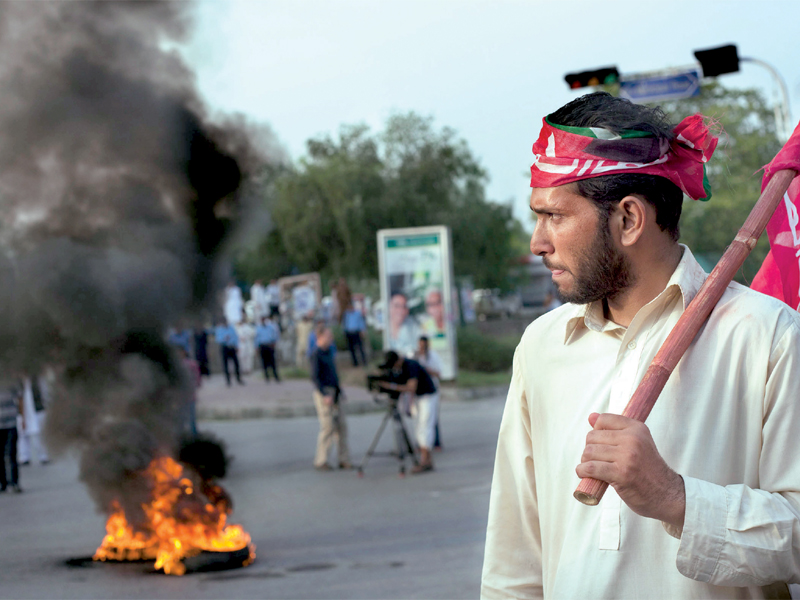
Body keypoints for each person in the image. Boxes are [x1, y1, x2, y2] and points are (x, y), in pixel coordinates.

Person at [481, 92, 800, 599]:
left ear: (629, 219)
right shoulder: (541, 346)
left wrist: (675, 498)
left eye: (554, 217)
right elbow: (515, 560)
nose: (537, 243)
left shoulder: (766, 335)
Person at [377, 350, 438, 474]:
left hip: (427, 396)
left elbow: (411, 387)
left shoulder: (410, 365)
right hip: (417, 398)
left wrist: (390, 386)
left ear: (398, 360)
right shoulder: (400, 368)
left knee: (424, 427)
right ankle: (427, 460)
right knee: (418, 429)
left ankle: (424, 461)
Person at [309, 324, 350, 471]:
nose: (331, 338)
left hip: (335, 392)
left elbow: (334, 375)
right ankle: (321, 460)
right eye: (328, 336)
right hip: (324, 393)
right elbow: (315, 378)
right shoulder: (316, 354)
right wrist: (325, 394)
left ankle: (343, 459)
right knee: (327, 427)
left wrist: (340, 391)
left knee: (341, 427)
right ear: (320, 337)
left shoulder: (329, 353)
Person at [415, 336, 443, 451]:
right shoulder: (415, 356)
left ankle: (435, 443)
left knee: (432, 418)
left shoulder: (433, 356)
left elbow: (439, 373)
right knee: (419, 419)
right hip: (419, 391)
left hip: (431, 390)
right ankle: (420, 444)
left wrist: (427, 370)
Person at [17, 376, 49, 466]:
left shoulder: (37, 379)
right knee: (22, 434)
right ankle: (24, 457)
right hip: (22, 410)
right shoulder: (18, 380)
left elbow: (44, 392)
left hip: (37, 409)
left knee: (40, 433)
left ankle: (43, 455)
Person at [0, 381, 21, 493]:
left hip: (11, 423)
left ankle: (14, 483)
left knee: (12, 453)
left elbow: (20, 398)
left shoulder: (10, 379)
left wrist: (23, 417)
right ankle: (3, 483)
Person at [387, 292, 420, 357]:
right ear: (389, 307)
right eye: (397, 306)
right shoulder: (383, 327)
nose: (401, 310)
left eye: (404, 306)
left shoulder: (413, 327)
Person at [214, 319, 244, 387]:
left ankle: (238, 379)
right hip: (225, 348)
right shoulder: (219, 330)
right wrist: (225, 338)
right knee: (226, 365)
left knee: (236, 364)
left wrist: (236, 346)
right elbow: (218, 339)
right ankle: (228, 381)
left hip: (232, 347)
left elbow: (236, 337)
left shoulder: (231, 328)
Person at [178, 348, 200, 437]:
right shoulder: (177, 364)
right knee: (187, 417)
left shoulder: (190, 364)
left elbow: (197, 377)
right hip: (182, 395)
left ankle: (192, 434)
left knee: (190, 417)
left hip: (187, 395)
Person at [255, 315, 280, 382]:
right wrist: (256, 347)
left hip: (270, 345)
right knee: (264, 362)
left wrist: (274, 342)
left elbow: (275, 335)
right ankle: (267, 377)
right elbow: (257, 339)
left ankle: (276, 377)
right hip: (262, 346)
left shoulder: (270, 327)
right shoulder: (259, 328)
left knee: (272, 362)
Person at [342, 301, 367, 367]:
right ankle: (355, 362)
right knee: (351, 349)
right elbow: (344, 324)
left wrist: (362, 331)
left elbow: (361, 322)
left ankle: (364, 361)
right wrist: (344, 332)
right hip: (349, 333)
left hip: (356, 332)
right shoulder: (346, 314)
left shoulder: (357, 313)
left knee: (360, 348)